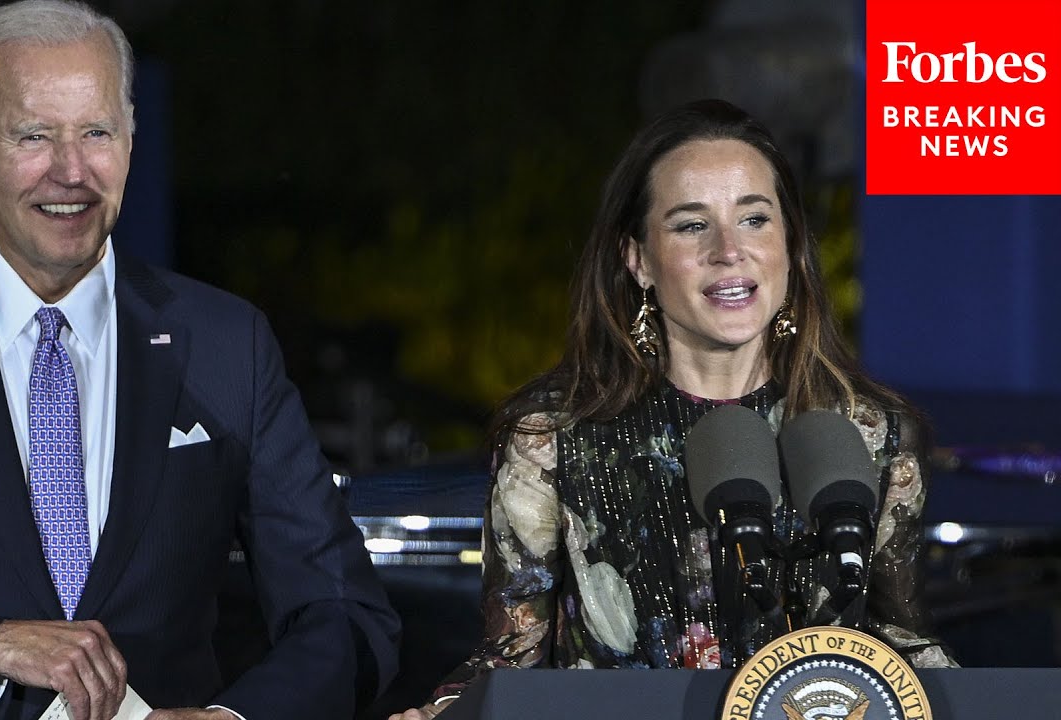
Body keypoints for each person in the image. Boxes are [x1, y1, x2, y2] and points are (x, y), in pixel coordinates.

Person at [0, 2, 399, 719]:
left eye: (97, 132)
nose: (71, 172)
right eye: (34, 135)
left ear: (132, 140)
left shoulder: (226, 343)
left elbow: (347, 614)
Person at [391, 98, 955, 719]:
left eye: (755, 220)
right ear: (638, 260)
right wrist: (442, 712)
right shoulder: (554, 435)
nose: (728, 250)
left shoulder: (869, 434)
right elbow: (510, 654)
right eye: (691, 225)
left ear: (791, 245)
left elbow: (900, 643)